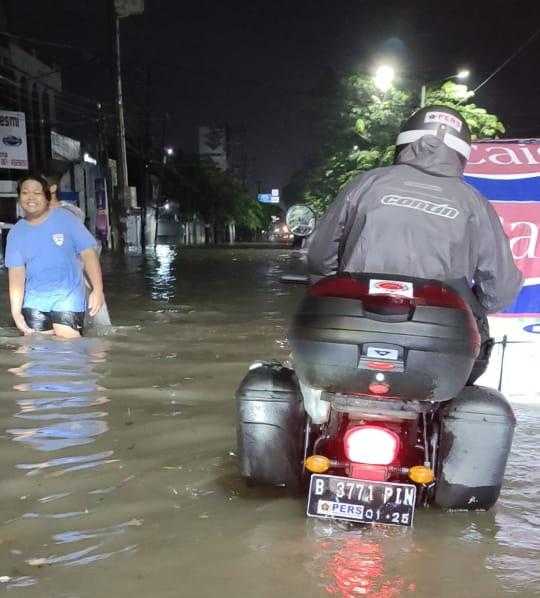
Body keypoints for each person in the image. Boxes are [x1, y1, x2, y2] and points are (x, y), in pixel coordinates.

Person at [307, 105, 522, 382]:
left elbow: (319, 256)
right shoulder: (475, 204)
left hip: (350, 329)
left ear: (404, 142)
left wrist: (331, 291)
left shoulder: (365, 183)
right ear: (460, 154)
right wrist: (470, 307)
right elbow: (501, 289)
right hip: (438, 344)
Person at [4, 174, 104, 339]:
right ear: (19, 196)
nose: (30, 197)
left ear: (47, 196)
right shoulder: (16, 233)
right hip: (34, 301)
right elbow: (16, 274)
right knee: (37, 350)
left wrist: (97, 290)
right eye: (25, 192)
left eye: (37, 193)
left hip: (68, 297)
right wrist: (16, 312)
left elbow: (88, 254)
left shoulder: (66, 219)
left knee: (70, 347)